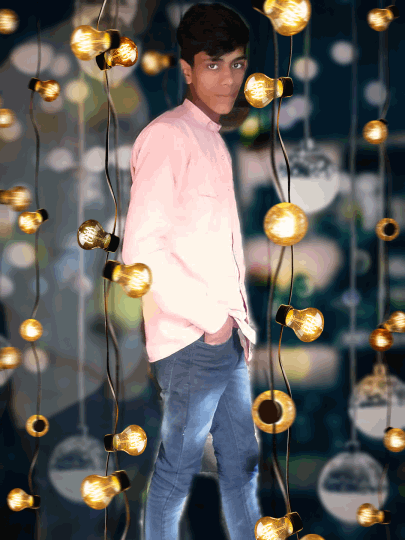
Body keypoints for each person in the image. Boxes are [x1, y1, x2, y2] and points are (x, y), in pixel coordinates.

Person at [122, 3, 262, 539]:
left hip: (225, 335)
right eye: (213, 64)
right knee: (178, 469)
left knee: (242, 462)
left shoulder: (212, 139)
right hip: (192, 338)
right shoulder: (168, 137)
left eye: (237, 64)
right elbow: (141, 252)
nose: (228, 78)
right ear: (186, 69)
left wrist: (233, 327)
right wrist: (212, 322)